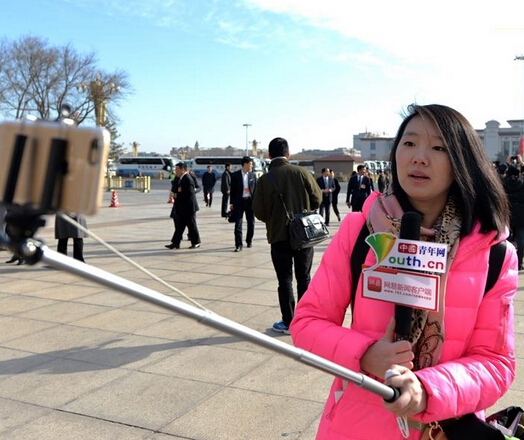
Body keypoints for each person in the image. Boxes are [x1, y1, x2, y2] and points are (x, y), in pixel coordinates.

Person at [290, 104, 517, 439]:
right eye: (409, 143)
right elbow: (307, 324)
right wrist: (365, 355)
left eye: (438, 147)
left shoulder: (494, 254)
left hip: (444, 429)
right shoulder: (359, 231)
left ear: (462, 162)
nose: (419, 157)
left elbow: (496, 363)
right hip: (357, 424)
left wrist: (428, 389)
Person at [253, 137, 322, 334]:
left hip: (279, 236)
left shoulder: (265, 179)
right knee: (304, 278)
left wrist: (275, 220)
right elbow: (317, 198)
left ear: (269, 156)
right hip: (304, 235)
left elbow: (258, 211)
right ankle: (306, 320)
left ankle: (288, 321)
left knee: (284, 281)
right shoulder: (302, 172)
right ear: (288, 154)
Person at [165, 162, 201, 249]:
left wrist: (177, 194)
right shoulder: (180, 178)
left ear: (182, 169)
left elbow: (190, 194)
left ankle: (196, 242)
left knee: (192, 226)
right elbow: (176, 189)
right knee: (179, 226)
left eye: (177, 169)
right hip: (182, 207)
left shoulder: (188, 179)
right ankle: (175, 243)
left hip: (189, 207)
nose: (175, 171)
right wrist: (177, 192)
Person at [230, 156, 257, 252]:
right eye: (250, 164)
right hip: (239, 202)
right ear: (245, 164)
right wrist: (231, 203)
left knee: (251, 223)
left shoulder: (253, 176)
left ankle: (249, 240)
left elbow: (256, 190)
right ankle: (238, 244)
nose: (252, 165)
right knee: (238, 223)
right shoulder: (235, 175)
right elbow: (232, 190)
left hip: (249, 201)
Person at [504, 164, 524, 271]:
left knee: (506, 239)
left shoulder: (504, 183)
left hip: (508, 214)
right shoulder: (522, 182)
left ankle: (506, 262)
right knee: (521, 240)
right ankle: (519, 263)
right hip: (521, 215)